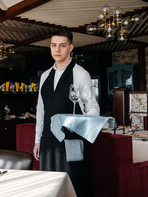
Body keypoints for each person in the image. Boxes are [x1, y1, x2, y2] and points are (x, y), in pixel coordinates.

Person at [33, 29, 100, 197]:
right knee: (50, 184)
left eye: (62, 46)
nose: (57, 50)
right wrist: (37, 140)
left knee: (75, 184)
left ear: (70, 48)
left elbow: (92, 106)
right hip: (48, 139)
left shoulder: (80, 74)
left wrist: (83, 131)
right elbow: (41, 109)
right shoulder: (45, 76)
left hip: (72, 138)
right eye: (53, 45)